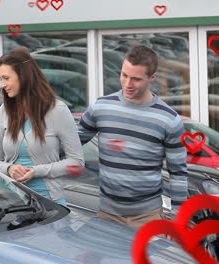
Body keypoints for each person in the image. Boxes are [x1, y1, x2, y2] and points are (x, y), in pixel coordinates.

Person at [76, 45, 188, 229]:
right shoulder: (100, 107)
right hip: (106, 214)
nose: (128, 84)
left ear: (152, 77)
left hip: (147, 217)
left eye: (136, 79)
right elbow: (71, 143)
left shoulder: (169, 119)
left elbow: (178, 174)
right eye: (124, 75)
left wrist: (178, 219)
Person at [0, 48, 84, 206]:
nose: (2, 85)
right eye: (0, 79)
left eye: (6, 78)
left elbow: (77, 162)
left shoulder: (57, 110)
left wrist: (37, 171)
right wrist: (9, 168)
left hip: (49, 203)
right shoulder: (4, 111)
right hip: (13, 203)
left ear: (23, 77)